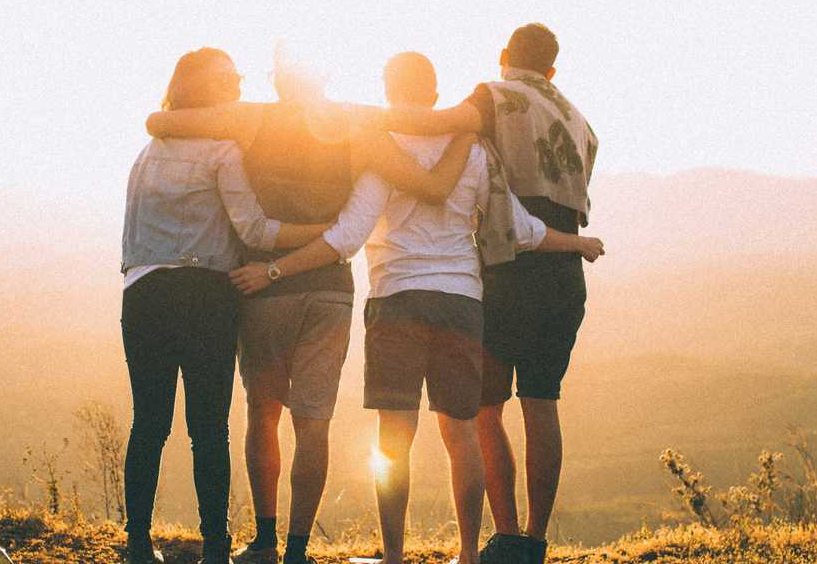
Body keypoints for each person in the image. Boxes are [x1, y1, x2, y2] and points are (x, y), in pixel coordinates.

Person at [231, 52, 604, 564]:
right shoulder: (473, 150)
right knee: (462, 433)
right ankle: (470, 555)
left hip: (397, 301)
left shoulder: (382, 151)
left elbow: (347, 237)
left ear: (389, 91)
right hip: (461, 302)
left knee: (394, 437)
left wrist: (276, 269)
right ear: (434, 94)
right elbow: (519, 228)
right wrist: (575, 243)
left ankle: (392, 556)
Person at [145, 47, 475, 564]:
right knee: (313, 421)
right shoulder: (358, 123)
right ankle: (298, 548)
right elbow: (430, 184)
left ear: (278, 81)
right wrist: (468, 125)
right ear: (325, 75)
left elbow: (161, 121)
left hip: (263, 286)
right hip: (329, 290)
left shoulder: (250, 118)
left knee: (263, 412)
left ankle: (265, 543)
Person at [372, 24, 600, 564]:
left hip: (507, 267)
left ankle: (505, 534)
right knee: (542, 403)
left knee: (485, 409)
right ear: (553, 69)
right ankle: (534, 541)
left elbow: (436, 123)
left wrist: (356, 121)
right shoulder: (579, 120)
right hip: (563, 268)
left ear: (504, 57)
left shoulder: (493, 96)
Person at [119, 48, 334, 564]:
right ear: (205, 90)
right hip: (206, 295)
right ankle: (216, 543)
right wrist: (327, 234)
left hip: (143, 292)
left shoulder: (148, 152)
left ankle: (137, 541)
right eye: (229, 79)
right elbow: (256, 230)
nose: (238, 84)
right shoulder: (222, 152)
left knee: (149, 421)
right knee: (208, 427)